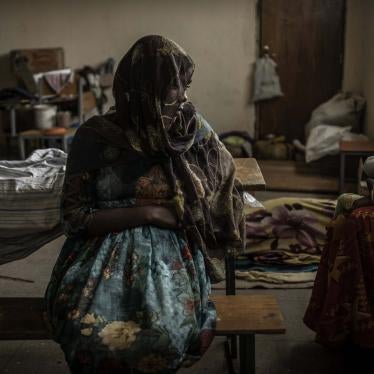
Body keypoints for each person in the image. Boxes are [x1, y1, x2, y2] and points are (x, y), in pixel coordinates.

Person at [44, 35, 245, 374]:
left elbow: (222, 183)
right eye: (173, 87)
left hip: (171, 250)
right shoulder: (95, 136)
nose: (183, 95)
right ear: (142, 87)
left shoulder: (189, 129)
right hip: (99, 249)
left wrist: (189, 211)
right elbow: (74, 217)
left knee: (163, 333)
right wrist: (149, 212)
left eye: (186, 85)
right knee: (87, 332)